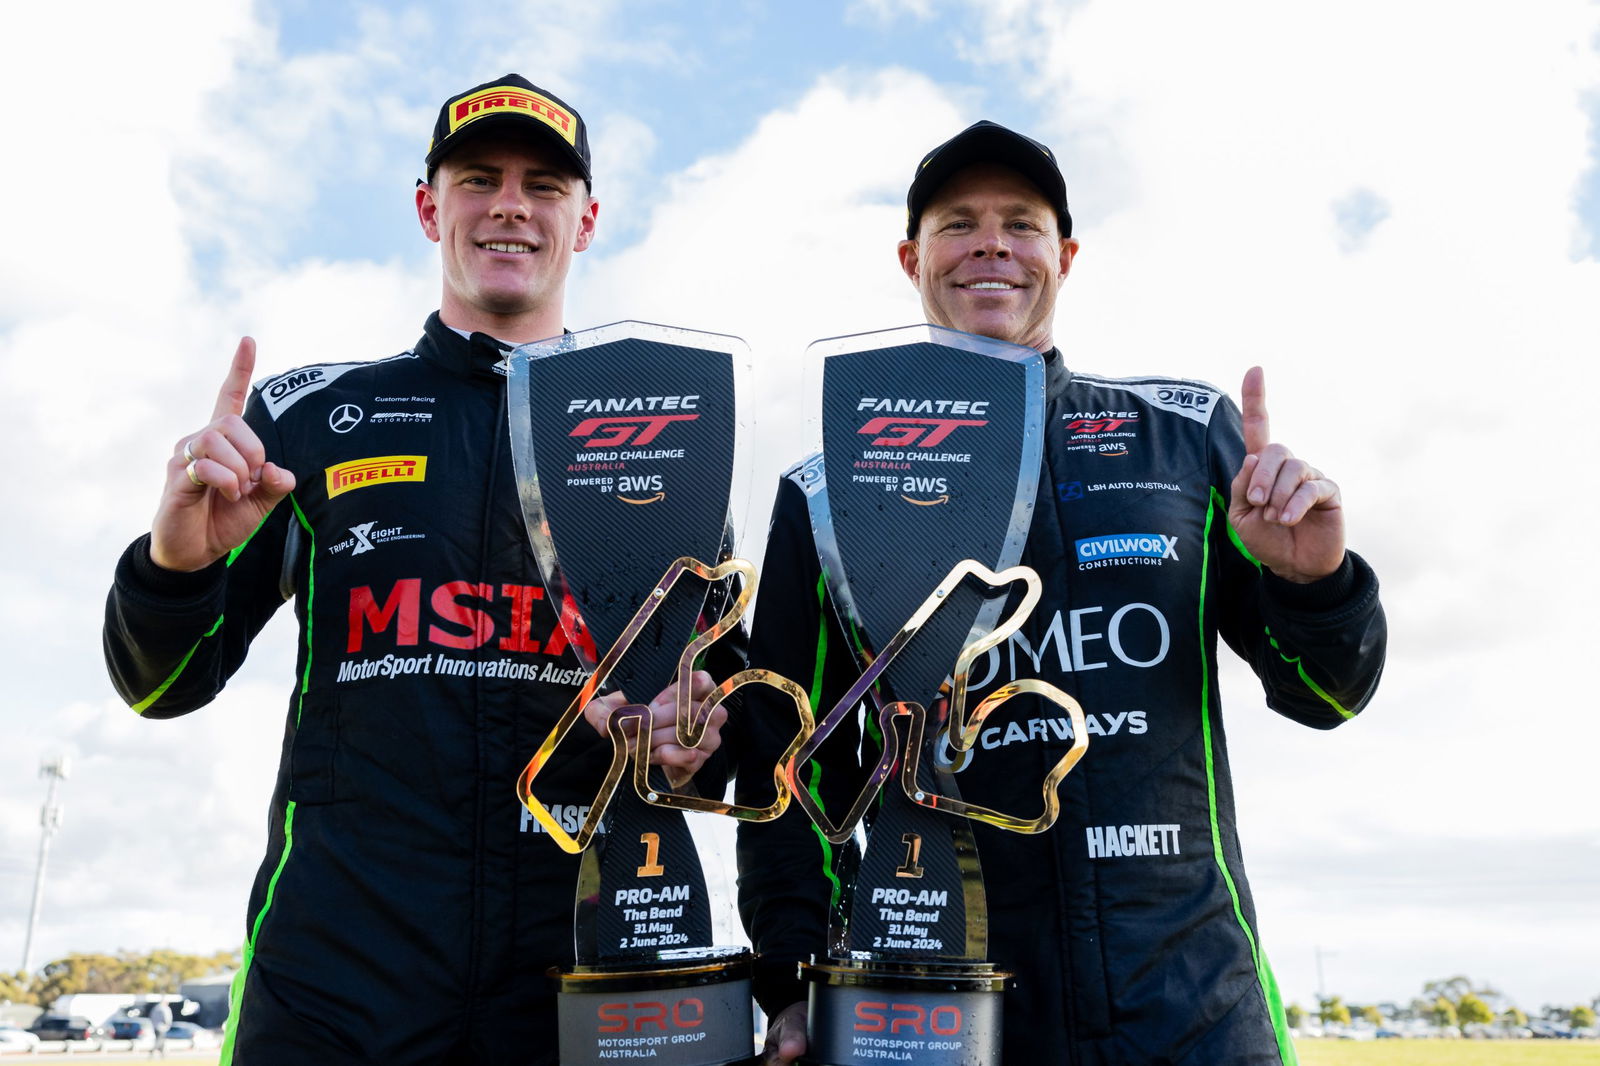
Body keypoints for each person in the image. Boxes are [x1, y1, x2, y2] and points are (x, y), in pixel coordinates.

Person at [103, 75, 731, 1065]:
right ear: (429, 207)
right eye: (478, 179)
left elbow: (720, 735)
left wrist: (691, 740)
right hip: (335, 976)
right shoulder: (305, 417)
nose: (510, 206)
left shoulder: (667, 447)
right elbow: (159, 688)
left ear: (589, 218)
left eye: (544, 185)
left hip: (577, 968)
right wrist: (174, 563)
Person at [734, 121, 1387, 1064]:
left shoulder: (1182, 432)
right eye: (959, 223)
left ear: (1065, 256)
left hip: (1194, 1006)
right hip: (942, 1011)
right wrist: (792, 984)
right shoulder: (825, 491)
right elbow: (789, 772)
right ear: (912, 257)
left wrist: (1314, 578)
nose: (991, 243)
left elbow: (1330, 695)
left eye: (1022, 223)